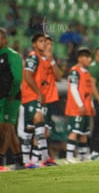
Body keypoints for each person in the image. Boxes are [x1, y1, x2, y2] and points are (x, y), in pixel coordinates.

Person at [20, 33, 56, 167]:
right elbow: (28, 76)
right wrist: (39, 92)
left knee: (31, 129)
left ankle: (28, 161)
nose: (43, 44)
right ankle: (43, 158)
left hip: (33, 96)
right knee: (38, 123)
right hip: (31, 96)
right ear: (34, 44)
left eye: (44, 41)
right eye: (40, 41)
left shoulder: (41, 58)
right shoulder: (33, 57)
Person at [0, 28, 25, 171]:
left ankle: (1, 161)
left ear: (5, 39)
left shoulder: (12, 56)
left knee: (6, 128)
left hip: (10, 98)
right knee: (7, 129)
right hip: (1, 98)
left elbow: (17, 78)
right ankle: (19, 161)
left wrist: (12, 94)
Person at [65, 47, 95, 164]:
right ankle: (69, 157)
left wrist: (91, 105)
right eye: (87, 57)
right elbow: (73, 89)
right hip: (76, 108)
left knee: (83, 133)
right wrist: (80, 104)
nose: (89, 60)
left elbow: (89, 90)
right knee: (75, 131)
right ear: (80, 58)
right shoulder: (74, 71)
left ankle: (83, 157)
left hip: (86, 108)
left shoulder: (87, 72)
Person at [43, 35, 63, 161]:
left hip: (50, 99)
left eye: (50, 44)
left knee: (46, 131)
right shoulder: (36, 59)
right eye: (46, 43)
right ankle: (32, 159)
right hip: (39, 99)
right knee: (38, 129)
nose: (48, 46)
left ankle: (46, 158)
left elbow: (59, 76)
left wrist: (52, 61)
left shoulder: (51, 61)